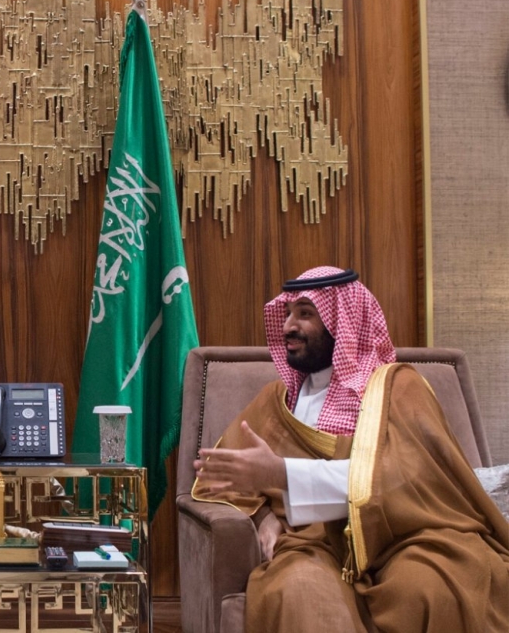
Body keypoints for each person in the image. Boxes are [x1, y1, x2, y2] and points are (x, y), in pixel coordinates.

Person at [192, 266, 509, 632]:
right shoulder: (278, 403)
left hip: (410, 537)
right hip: (315, 544)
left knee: (430, 591)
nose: (288, 326)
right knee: (300, 594)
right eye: (288, 313)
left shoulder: (399, 390)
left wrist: (280, 473)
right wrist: (265, 517)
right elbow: (220, 475)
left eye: (306, 313)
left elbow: (399, 479)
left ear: (342, 322)